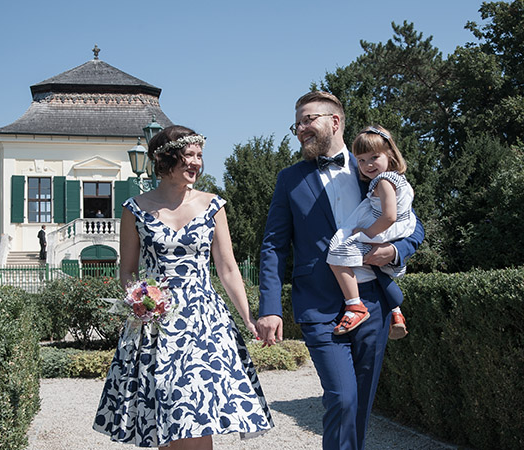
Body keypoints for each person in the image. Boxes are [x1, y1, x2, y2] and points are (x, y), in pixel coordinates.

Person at [257, 91, 424, 450]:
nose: (300, 129)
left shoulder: (372, 167)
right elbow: (273, 246)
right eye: (296, 123)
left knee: (361, 403)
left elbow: (414, 225)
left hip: (374, 302)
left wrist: (394, 250)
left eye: (308, 120)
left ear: (335, 122)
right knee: (342, 397)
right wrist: (270, 307)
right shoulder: (289, 179)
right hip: (318, 305)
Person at [93, 125, 273, 449]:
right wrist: (140, 301)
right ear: (165, 160)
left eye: (199, 156)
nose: (196, 163)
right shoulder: (134, 209)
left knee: (196, 412)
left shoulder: (213, 206)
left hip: (204, 321)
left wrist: (247, 317)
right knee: (162, 414)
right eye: (188, 155)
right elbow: (128, 270)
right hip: (154, 324)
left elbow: (228, 267)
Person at [327, 125, 416, 339]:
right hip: (390, 231)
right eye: (361, 160)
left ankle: (355, 305)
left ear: (390, 154)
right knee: (379, 270)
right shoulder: (397, 179)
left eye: (374, 157)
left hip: (381, 232)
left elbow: (389, 216)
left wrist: (366, 233)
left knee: (336, 256)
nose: (367, 165)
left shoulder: (384, 181)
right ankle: (396, 312)